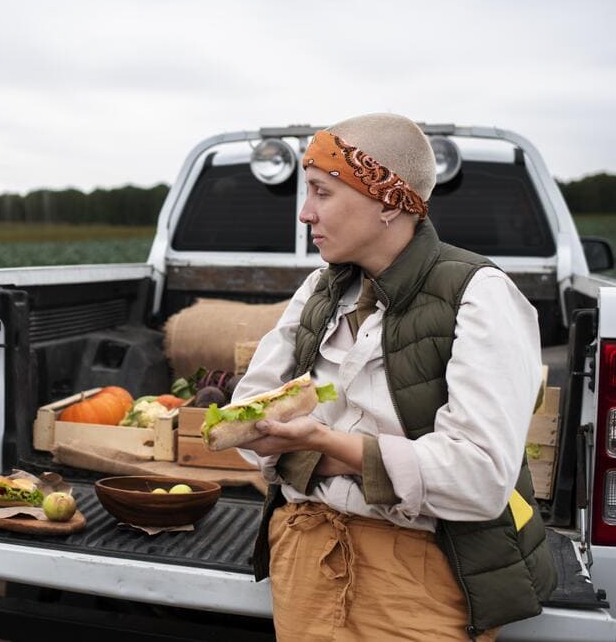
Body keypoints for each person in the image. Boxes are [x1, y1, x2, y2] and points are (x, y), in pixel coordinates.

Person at [235, 113, 557, 641]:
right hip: (302, 554)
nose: (304, 213)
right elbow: (248, 419)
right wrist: (347, 454)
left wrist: (322, 443)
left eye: (321, 191)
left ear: (388, 199)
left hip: (418, 574)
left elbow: (479, 480)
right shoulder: (319, 290)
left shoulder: (478, 295)